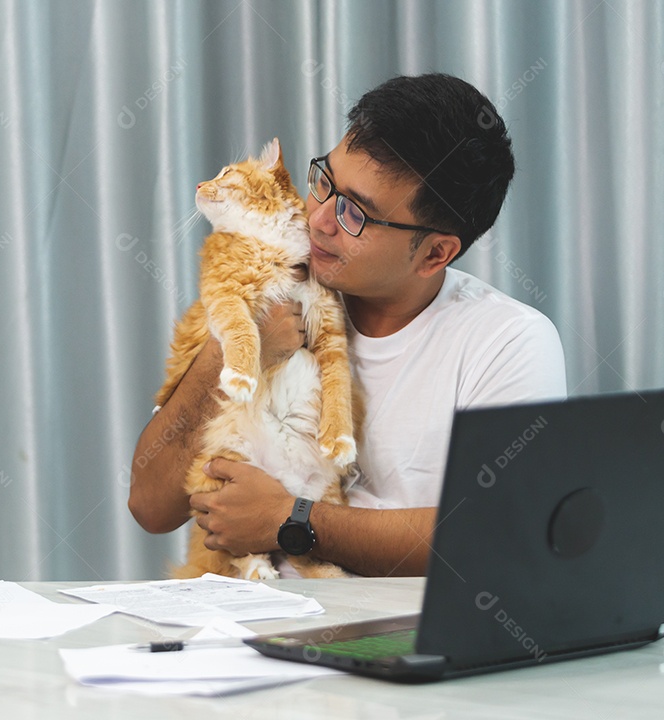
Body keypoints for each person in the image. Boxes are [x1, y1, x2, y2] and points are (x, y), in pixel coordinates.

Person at [127, 73, 566, 577]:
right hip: (249, 634)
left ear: (435, 253)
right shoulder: (272, 288)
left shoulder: (506, 342)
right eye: (323, 182)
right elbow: (150, 504)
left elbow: (503, 530)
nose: (319, 220)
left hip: (397, 642)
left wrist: (291, 520)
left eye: (355, 213)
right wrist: (234, 346)